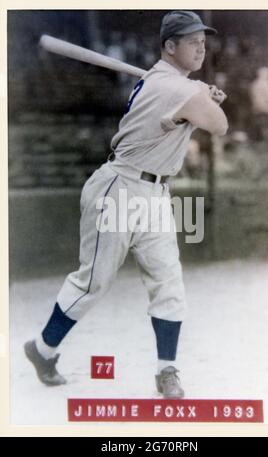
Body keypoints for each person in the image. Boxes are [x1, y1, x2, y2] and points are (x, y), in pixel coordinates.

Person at [24, 10, 228, 399]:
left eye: (203, 40)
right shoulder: (175, 88)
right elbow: (220, 125)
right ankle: (43, 349)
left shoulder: (170, 85)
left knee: (169, 283)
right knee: (92, 283)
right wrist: (203, 97)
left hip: (155, 192)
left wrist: (201, 97)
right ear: (169, 46)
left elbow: (200, 112)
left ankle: (166, 369)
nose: (201, 46)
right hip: (119, 187)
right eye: (191, 41)